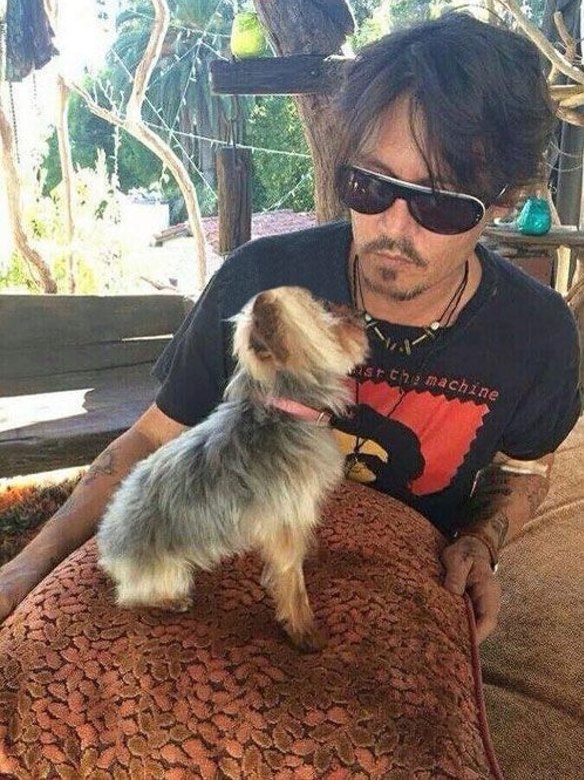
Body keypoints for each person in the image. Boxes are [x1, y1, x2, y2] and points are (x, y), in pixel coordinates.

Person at [0, 12, 580, 643]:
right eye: (369, 185)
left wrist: (479, 543)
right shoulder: (263, 281)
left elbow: (523, 470)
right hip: (223, 560)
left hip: (400, 582)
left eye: (439, 202)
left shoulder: (536, 333)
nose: (392, 229)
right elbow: (151, 438)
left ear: (503, 201)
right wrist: (30, 563)